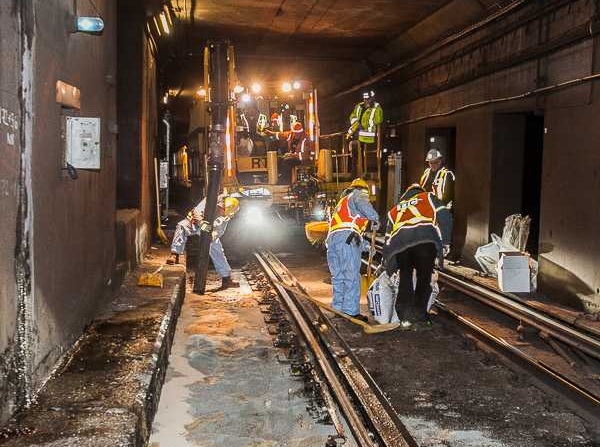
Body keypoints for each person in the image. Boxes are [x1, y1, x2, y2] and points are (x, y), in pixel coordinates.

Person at [383, 184, 452, 328]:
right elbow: (445, 215)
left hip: (401, 245)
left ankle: (404, 317)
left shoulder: (395, 209)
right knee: (423, 279)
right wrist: (445, 243)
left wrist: (388, 264)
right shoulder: (428, 197)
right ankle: (419, 317)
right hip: (424, 242)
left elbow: (388, 238)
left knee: (405, 279)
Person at [326, 178, 380, 321]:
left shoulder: (342, 203)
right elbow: (350, 231)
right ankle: (350, 311)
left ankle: (338, 309)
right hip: (346, 240)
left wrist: (367, 247)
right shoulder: (358, 194)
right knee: (351, 277)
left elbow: (348, 228)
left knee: (338, 277)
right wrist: (375, 218)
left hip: (333, 241)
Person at [167, 195, 240, 289]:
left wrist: (214, 235)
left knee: (217, 250)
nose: (223, 215)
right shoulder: (210, 199)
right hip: (196, 222)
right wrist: (202, 224)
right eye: (223, 212)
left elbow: (220, 230)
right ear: (222, 206)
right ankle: (174, 254)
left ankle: (226, 279)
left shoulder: (226, 215)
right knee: (181, 226)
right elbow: (196, 212)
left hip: (209, 230)